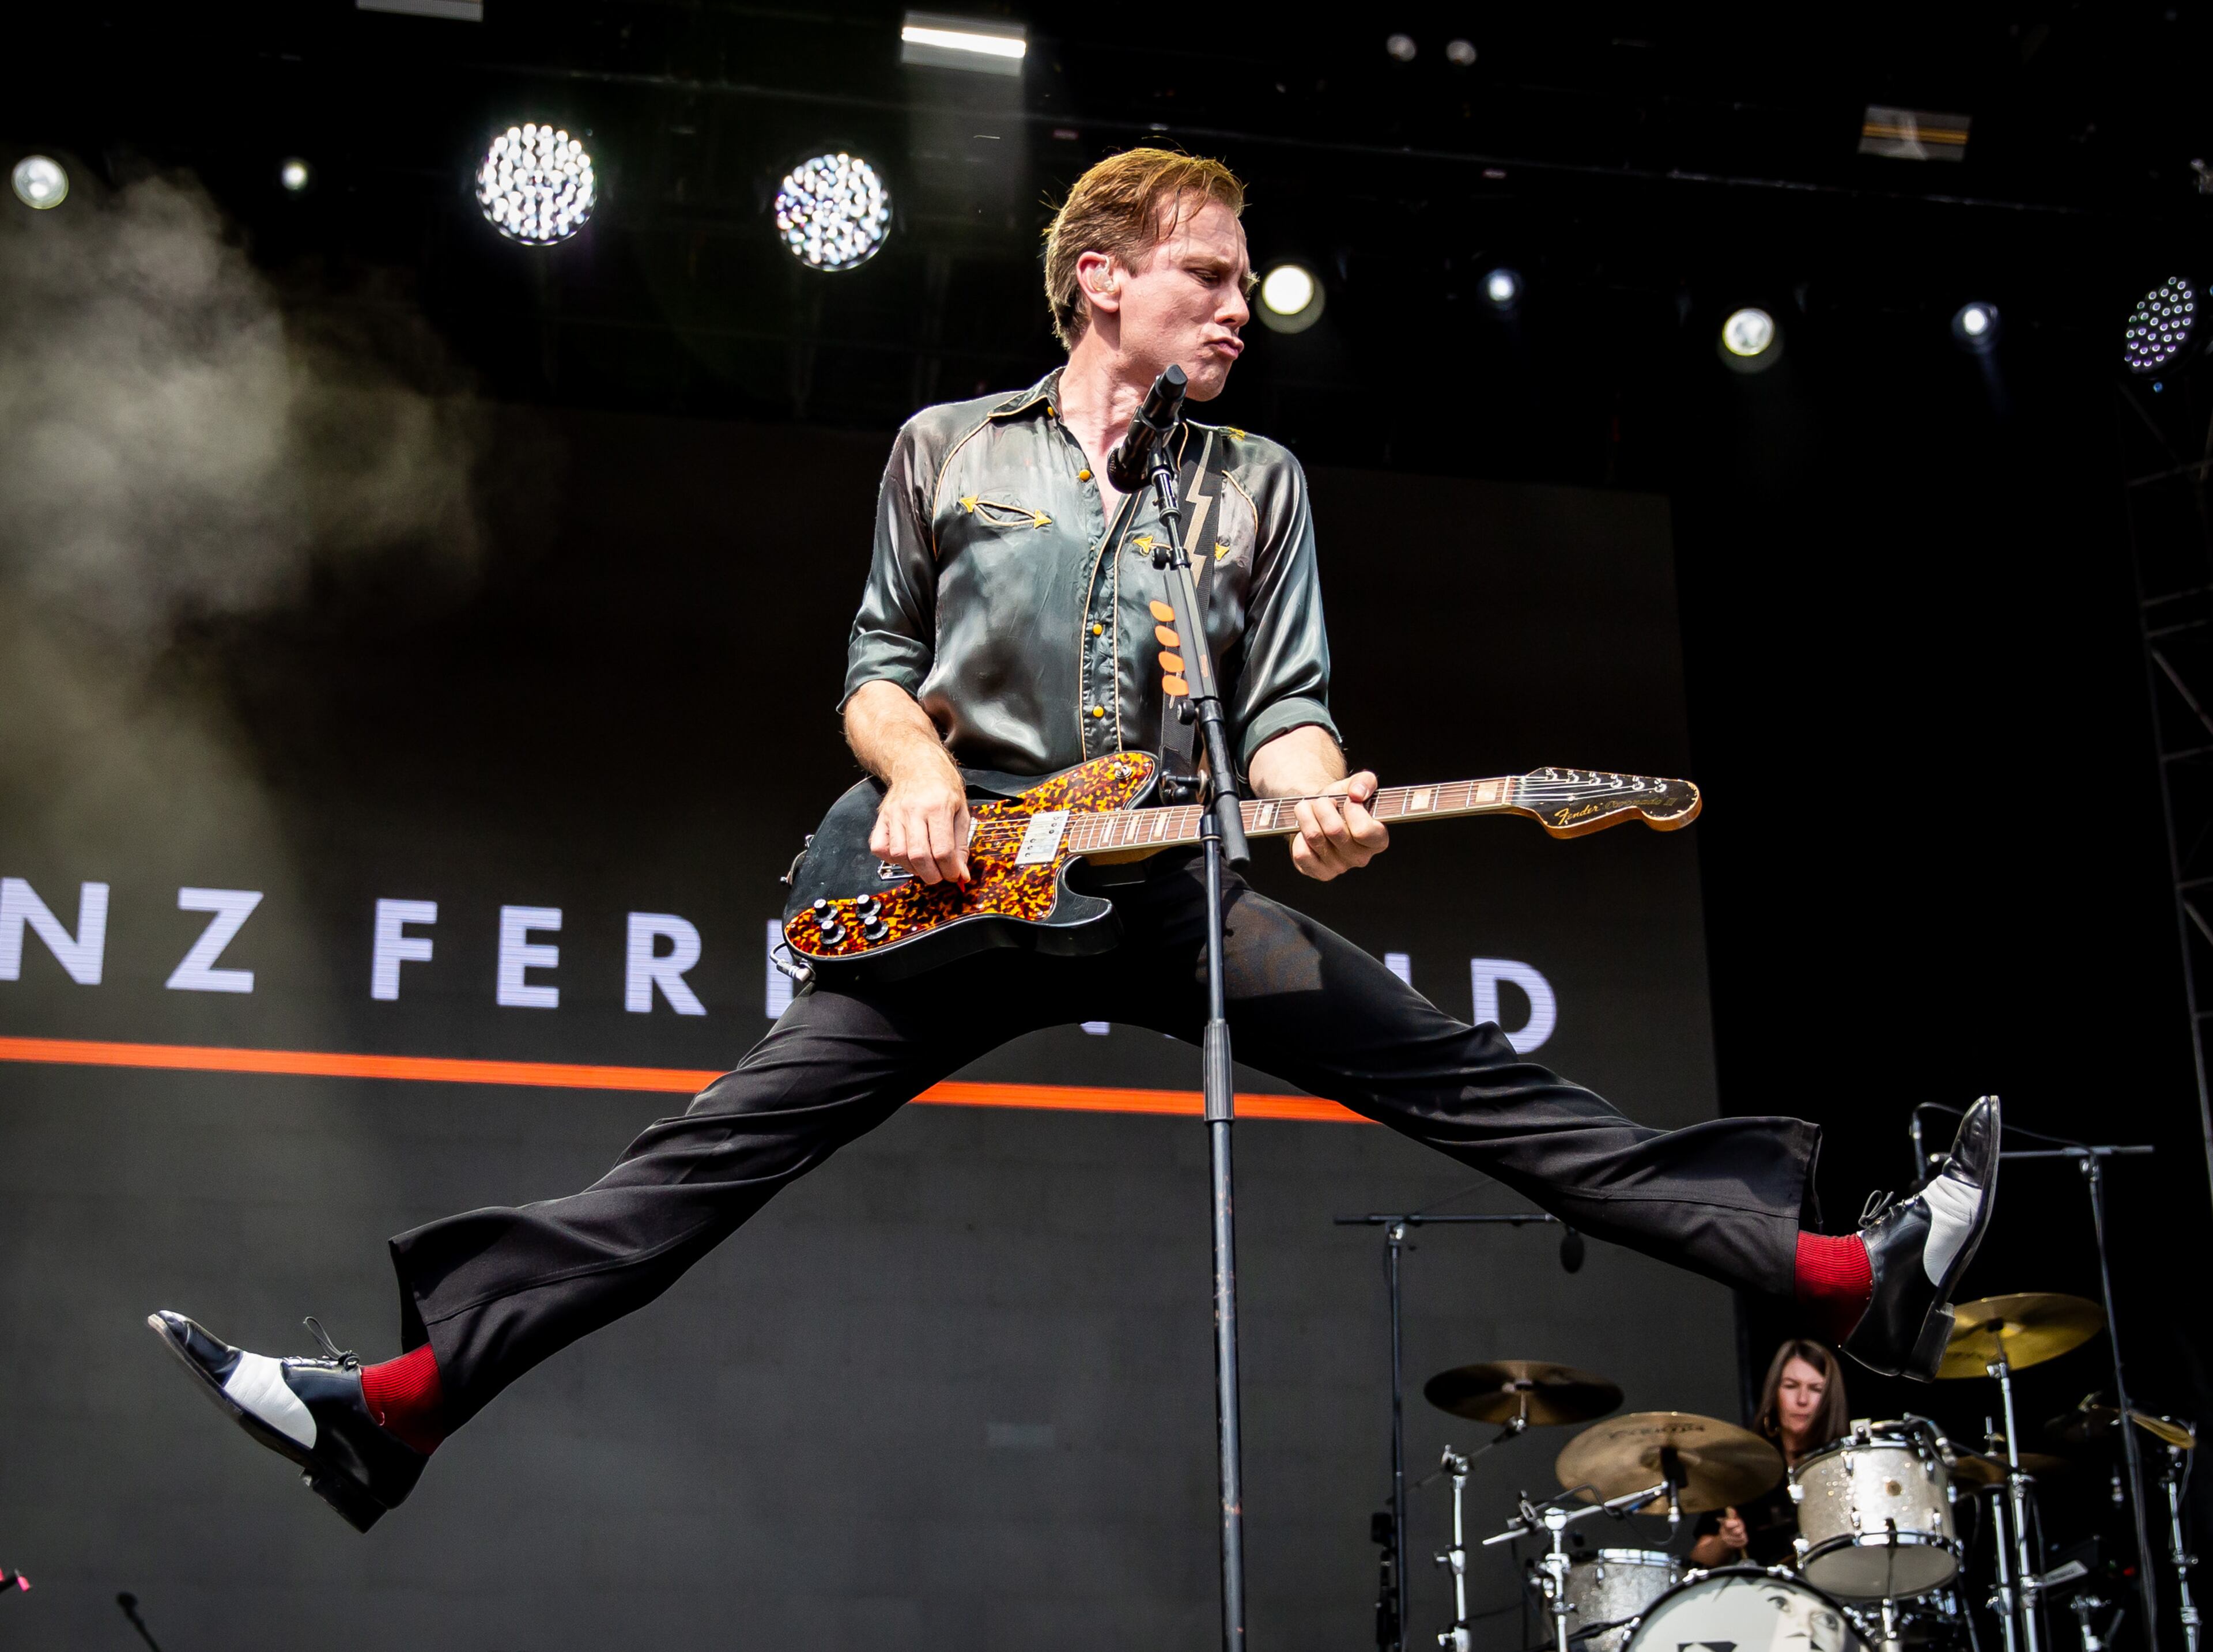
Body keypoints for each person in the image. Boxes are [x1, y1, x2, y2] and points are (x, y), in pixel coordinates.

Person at [148, 149, 2002, 1534]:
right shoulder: (947, 448)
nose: (1235, 303)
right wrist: (908, 771)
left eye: (1243, 278)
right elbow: (877, 670)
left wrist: (1325, 791)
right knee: (704, 1158)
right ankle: (388, 1401)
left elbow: (1285, 704)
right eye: (1204, 274)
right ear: (1100, 282)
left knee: (1469, 1079)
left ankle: (1843, 1272)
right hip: (959, 898)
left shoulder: (1251, 480)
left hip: (1171, 888)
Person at [1689, 1339, 1853, 1568]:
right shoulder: (1746, 1465)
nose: (1802, 1400)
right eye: (1791, 1386)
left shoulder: (1849, 1463)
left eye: (1816, 1389)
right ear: (1774, 1392)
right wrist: (1725, 1541)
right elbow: (1700, 1557)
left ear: (1829, 1400)